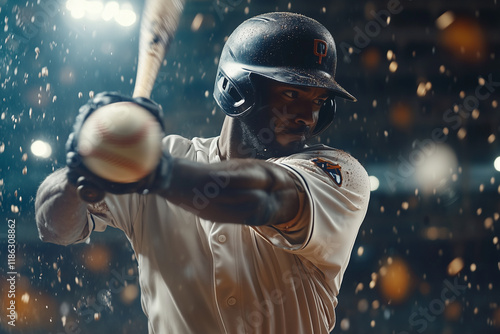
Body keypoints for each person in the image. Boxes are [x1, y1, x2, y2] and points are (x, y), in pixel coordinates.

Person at [35, 12, 370, 334]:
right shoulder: (170, 158)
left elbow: (263, 197)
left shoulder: (338, 175)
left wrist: (149, 170)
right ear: (237, 89)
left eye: (318, 99)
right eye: (292, 93)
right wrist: (83, 168)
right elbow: (52, 226)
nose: (307, 116)